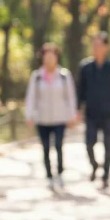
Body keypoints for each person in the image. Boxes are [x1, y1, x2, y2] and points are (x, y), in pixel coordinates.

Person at [24, 43, 77, 189]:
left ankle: (60, 173)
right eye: (46, 56)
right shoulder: (36, 77)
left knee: (59, 146)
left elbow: (70, 97)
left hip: (60, 118)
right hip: (43, 119)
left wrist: (72, 115)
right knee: (46, 148)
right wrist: (29, 115)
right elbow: (31, 97)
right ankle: (49, 176)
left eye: (52, 56)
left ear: (56, 57)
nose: (49, 59)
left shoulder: (64, 76)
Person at [77, 32, 110, 189]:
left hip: (108, 112)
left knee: (108, 145)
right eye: (94, 44)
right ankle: (94, 165)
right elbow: (80, 90)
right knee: (89, 143)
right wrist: (78, 108)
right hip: (91, 112)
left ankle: (105, 176)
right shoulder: (85, 67)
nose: (96, 48)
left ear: (106, 47)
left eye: (99, 45)